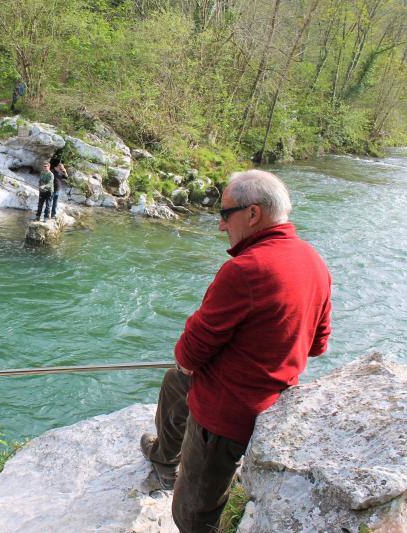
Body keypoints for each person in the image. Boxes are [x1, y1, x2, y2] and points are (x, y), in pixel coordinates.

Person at [140, 169, 332, 533]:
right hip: (276, 395)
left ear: (253, 214)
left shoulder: (245, 270)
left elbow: (190, 353)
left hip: (226, 415)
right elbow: (319, 344)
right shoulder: (313, 261)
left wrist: (198, 358)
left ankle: (178, 479)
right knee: (175, 382)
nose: (220, 226)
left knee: (192, 513)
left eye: (225, 214)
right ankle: (165, 455)